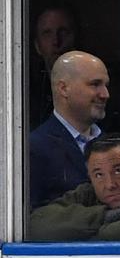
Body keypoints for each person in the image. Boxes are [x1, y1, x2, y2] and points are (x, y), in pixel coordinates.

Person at [29, 50, 110, 208]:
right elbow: (32, 221)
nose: (105, 94)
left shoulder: (113, 144)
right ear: (64, 88)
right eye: (95, 84)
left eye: (106, 85)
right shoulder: (34, 149)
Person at [30, 5, 78, 123]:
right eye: (47, 33)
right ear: (37, 46)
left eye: (63, 32)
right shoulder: (26, 93)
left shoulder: (96, 90)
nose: (56, 41)